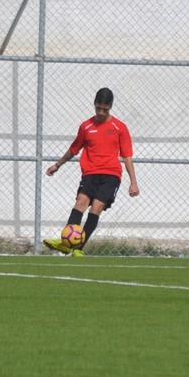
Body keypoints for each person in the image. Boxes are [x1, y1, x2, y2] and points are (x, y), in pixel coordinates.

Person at [44, 87, 139, 257]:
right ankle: (66, 244)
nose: (101, 112)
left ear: (110, 107)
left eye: (105, 109)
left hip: (111, 175)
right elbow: (74, 149)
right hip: (90, 173)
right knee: (80, 203)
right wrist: (57, 165)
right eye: (98, 108)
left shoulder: (120, 127)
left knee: (96, 208)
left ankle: (78, 249)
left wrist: (133, 182)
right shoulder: (86, 126)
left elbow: (127, 156)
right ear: (94, 104)